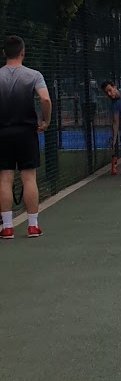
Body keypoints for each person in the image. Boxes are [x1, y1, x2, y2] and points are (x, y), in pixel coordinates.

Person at [0, 35, 52, 238]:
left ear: (5, 53)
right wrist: (45, 121)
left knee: (4, 178)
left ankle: (7, 227)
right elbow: (45, 99)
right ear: (23, 52)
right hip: (26, 132)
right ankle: (32, 225)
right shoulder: (33, 75)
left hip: (2, 132)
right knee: (29, 177)